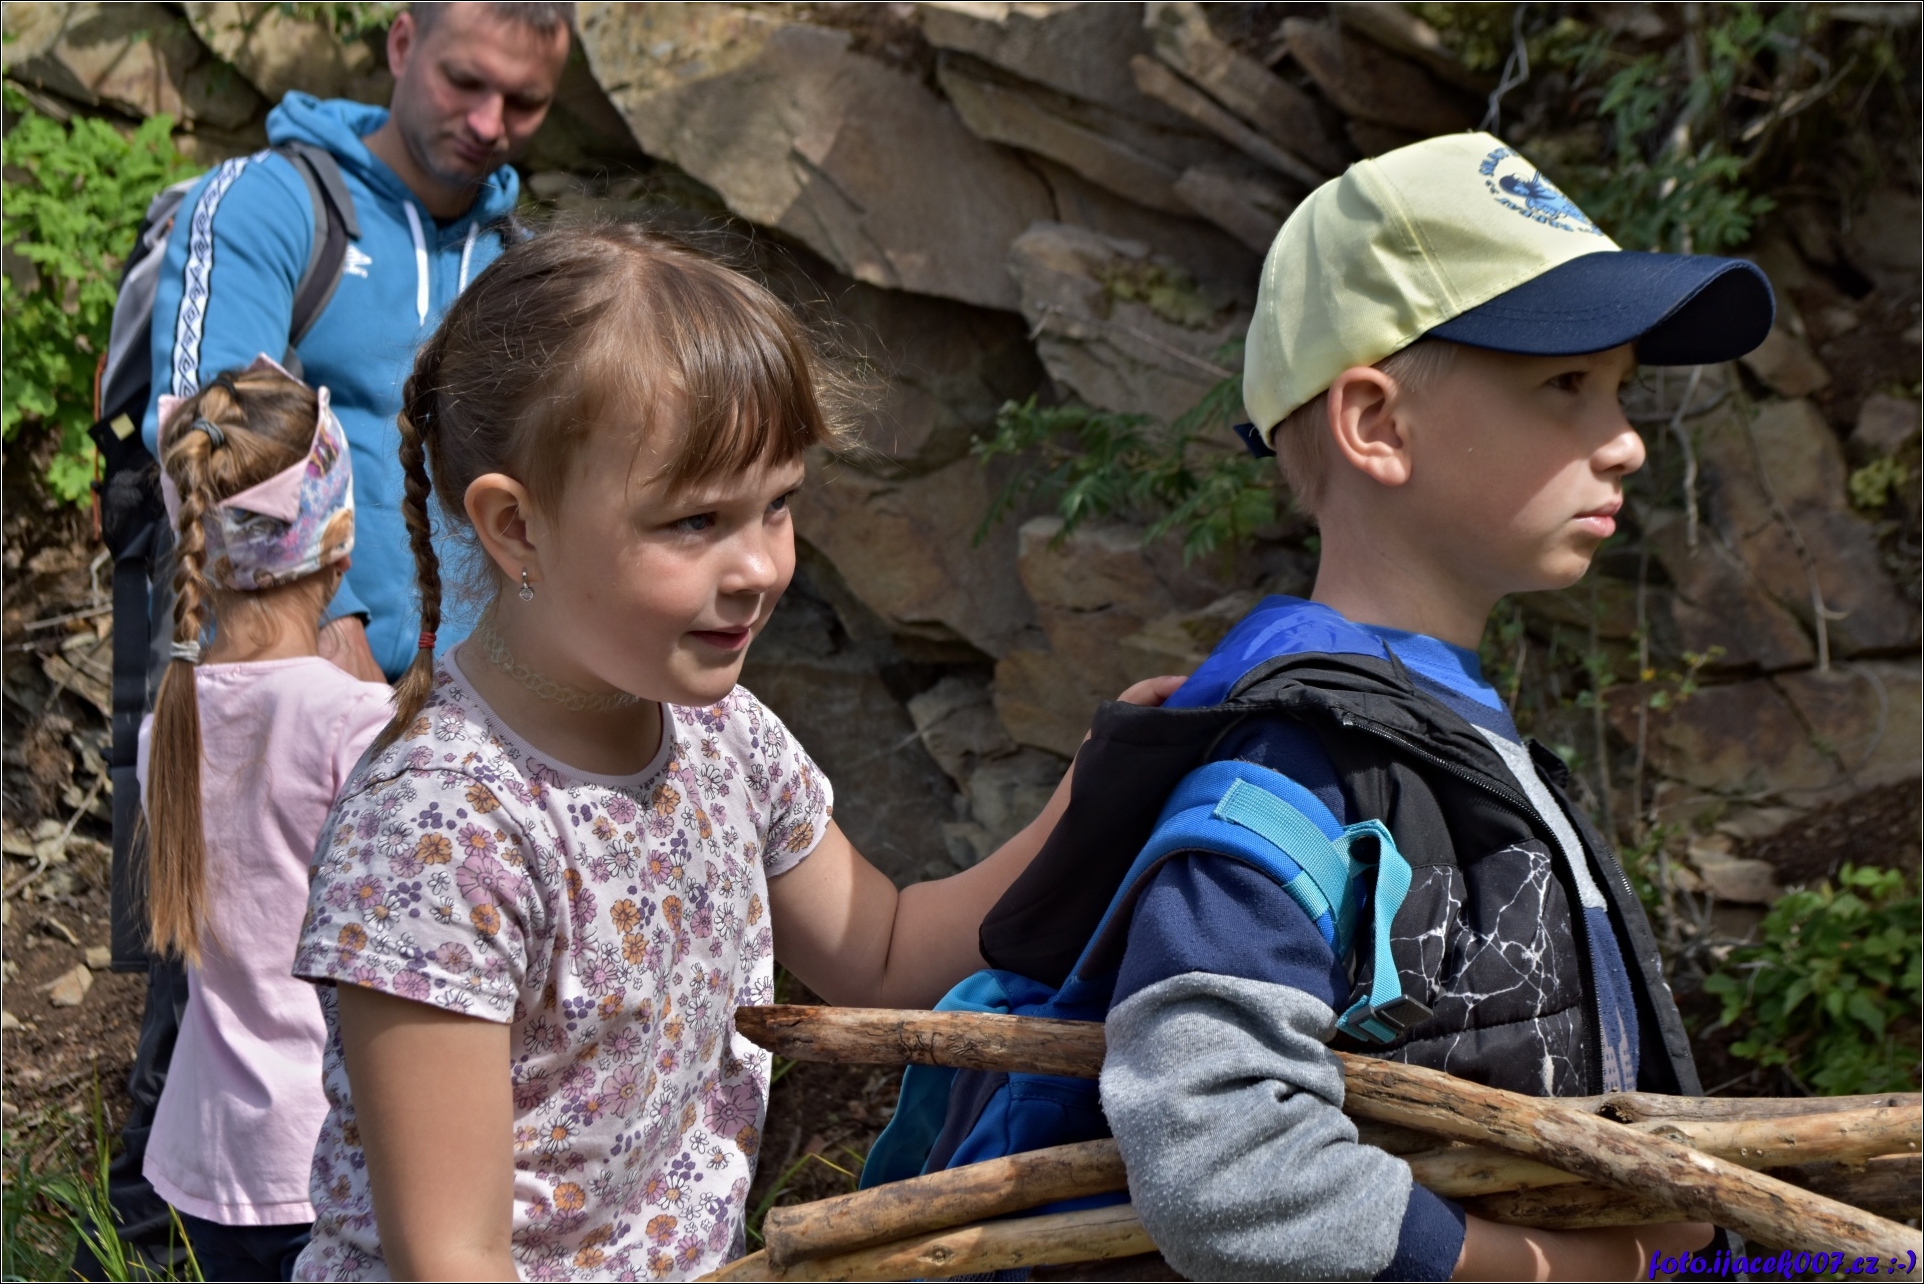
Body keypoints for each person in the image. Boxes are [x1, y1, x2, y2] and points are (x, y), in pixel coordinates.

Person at [287, 223, 1180, 1281]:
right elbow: (454, 1259)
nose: (759, 566)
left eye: (778, 504)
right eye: (695, 520)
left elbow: (884, 955)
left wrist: (1091, 795)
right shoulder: (440, 832)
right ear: (516, 527)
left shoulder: (724, 734)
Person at [1094, 132, 1776, 1280]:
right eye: (1565, 385)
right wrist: (1581, 1269)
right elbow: (1219, 1165)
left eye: (1619, 389)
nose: (1625, 442)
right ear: (1376, 425)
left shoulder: (1452, 736)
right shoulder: (1298, 772)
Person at [89, 8, 575, 1274]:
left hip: (452, 707)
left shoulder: (515, 265)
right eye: (466, 82)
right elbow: (205, 422)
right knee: (222, 969)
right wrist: (338, 624)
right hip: (284, 669)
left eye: (524, 104)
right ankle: (160, 1239)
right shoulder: (270, 206)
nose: (490, 125)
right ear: (402, 43)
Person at [139, 356, 392, 1280]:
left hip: (211, 1156)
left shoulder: (166, 723)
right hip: (332, 1154)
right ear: (339, 538)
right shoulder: (353, 723)